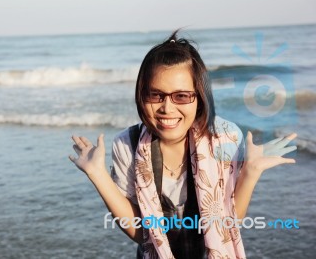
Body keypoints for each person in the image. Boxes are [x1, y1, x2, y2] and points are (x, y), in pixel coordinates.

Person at [69, 30, 297, 259]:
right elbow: (140, 234)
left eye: (181, 96)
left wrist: (250, 172)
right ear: (141, 95)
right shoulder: (127, 144)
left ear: (199, 98)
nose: (167, 108)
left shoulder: (225, 138)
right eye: (155, 95)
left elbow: (228, 225)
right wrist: (97, 174)